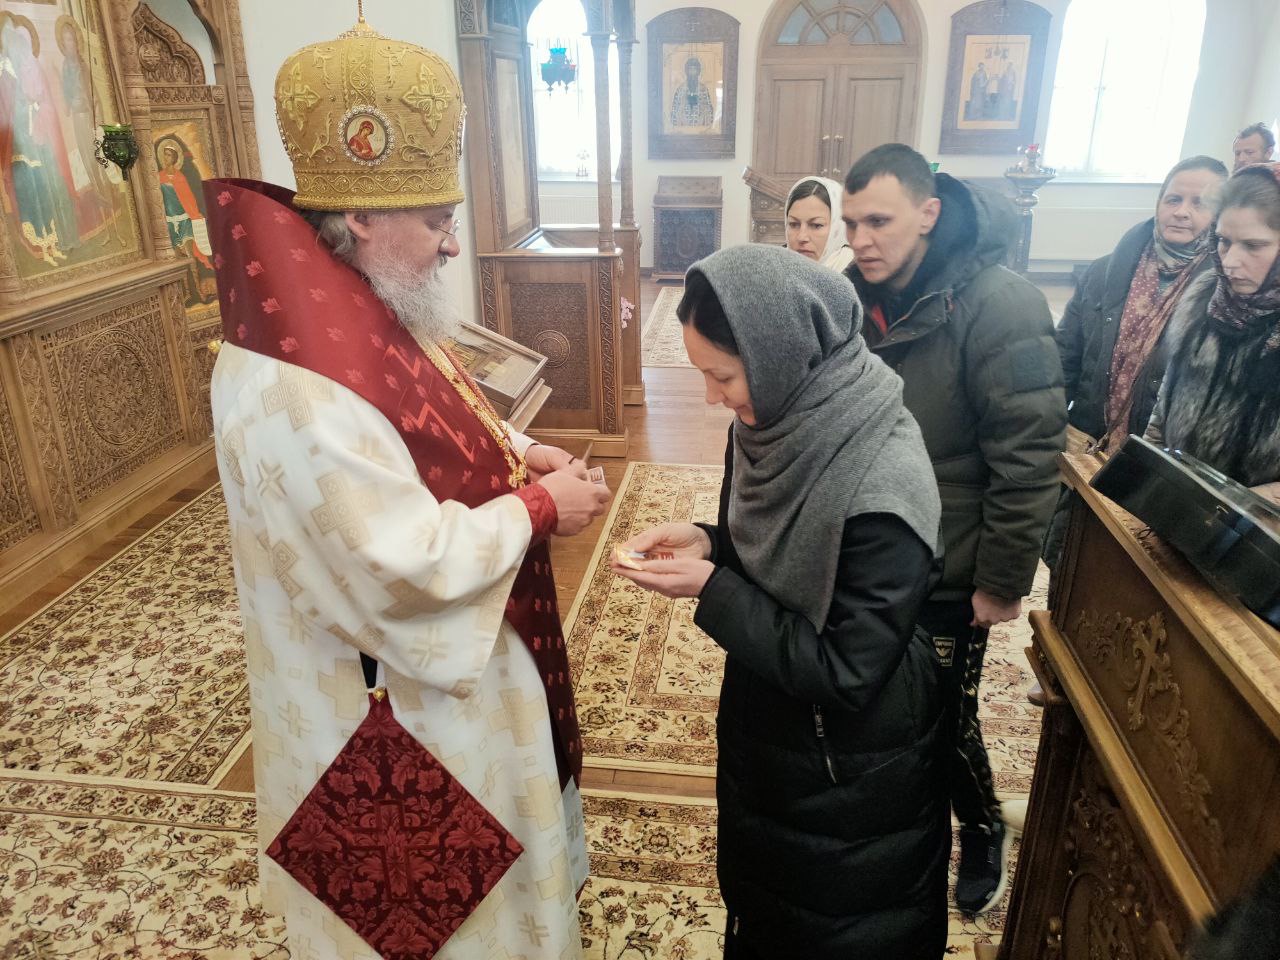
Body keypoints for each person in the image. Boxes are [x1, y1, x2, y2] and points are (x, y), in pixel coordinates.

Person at [207, 18, 609, 959]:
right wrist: (540, 508)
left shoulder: (351, 302)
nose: (452, 243)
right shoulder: (298, 382)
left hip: (449, 663)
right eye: (436, 220)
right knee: (429, 908)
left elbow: (426, 410)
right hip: (390, 696)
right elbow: (393, 562)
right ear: (363, 218)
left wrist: (521, 451)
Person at [613, 244, 948, 959]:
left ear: (781, 356)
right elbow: (775, 548)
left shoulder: (881, 482)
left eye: (722, 376)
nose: (712, 399)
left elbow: (849, 671)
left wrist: (713, 588)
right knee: (768, 894)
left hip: (853, 762)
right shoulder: (776, 421)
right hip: (777, 719)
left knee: (836, 924)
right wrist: (711, 543)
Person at [840, 143, 1066, 915]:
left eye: (879, 221)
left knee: (941, 717)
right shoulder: (853, 297)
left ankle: (981, 825)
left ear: (929, 212)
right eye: (851, 224)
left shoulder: (1002, 305)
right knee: (874, 703)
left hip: (950, 557)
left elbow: (1029, 456)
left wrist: (1000, 581)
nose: (861, 240)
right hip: (870, 546)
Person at [1041, 156, 1227, 573]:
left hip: (1160, 471)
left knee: (1135, 579)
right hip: (1089, 452)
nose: (1182, 211)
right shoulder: (1105, 273)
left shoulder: (1225, 294)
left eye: (1199, 203)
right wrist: (1058, 425)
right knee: (1067, 567)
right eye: (1173, 199)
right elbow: (1062, 361)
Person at [1145, 163, 1280, 501]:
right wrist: (1148, 482)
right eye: (1223, 241)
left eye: (1253, 245)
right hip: (1177, 507)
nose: (1230, 261)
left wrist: (1240, 509)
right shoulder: (1203, 301)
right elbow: (1162, 413)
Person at [784, 176, 854, 272]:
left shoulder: (861, 276)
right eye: (794, 224)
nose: (801, 237)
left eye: (816, 225)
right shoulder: (773, 269)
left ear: (839, 227)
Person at [669, 56, 715, 128]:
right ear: (686, 71)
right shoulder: (680, 90)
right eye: (690, 69)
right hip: (683, 128)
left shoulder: (703, 90)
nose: (692, 72)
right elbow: (674, 111)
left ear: (698, 72)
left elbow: (709, 111)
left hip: (700, 128)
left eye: (694, 69)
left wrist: (702, 105)